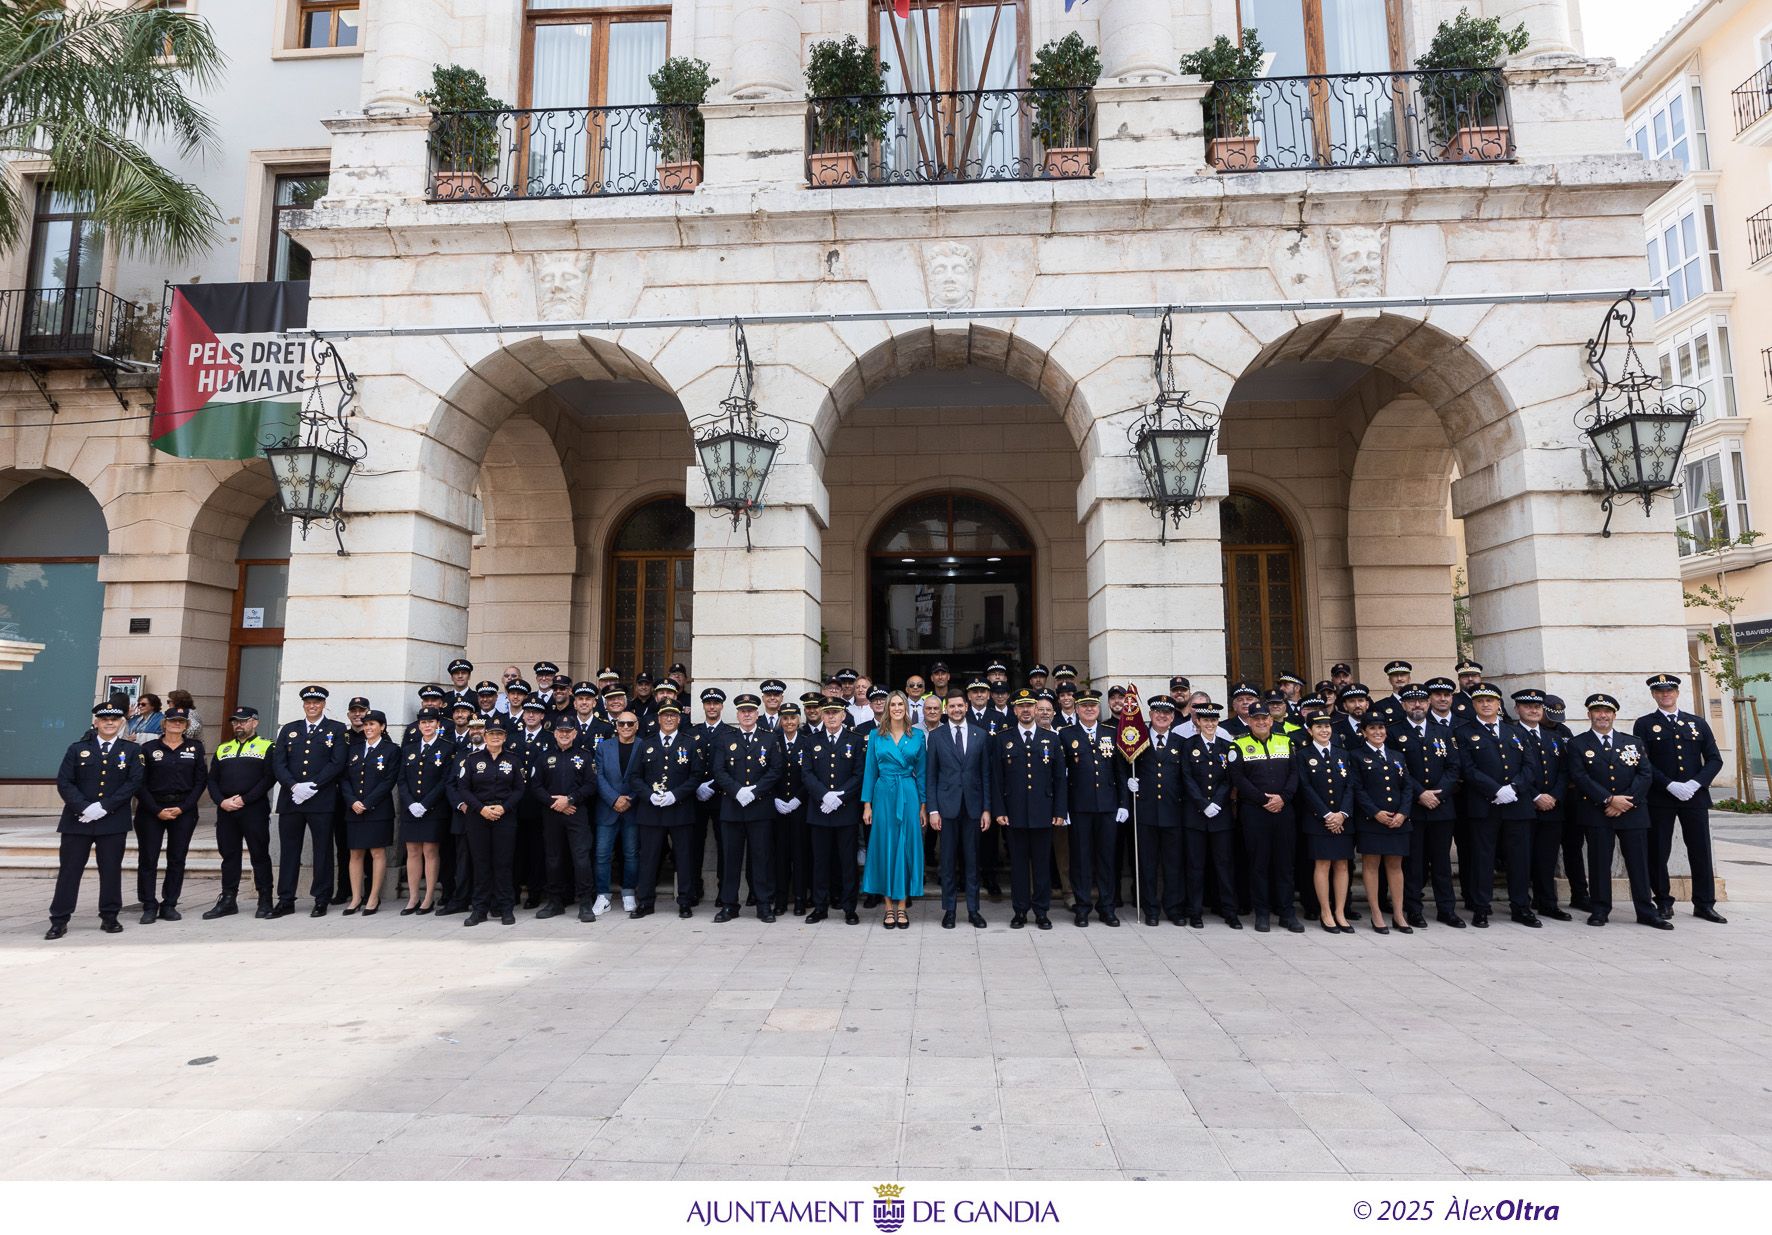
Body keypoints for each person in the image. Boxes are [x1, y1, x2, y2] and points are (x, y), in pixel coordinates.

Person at [1568, 693, 1668, 929]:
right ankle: (1600, 909)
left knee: (1639, 864)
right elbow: (1579, 776)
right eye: (1597, 711)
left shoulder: (1632, 742)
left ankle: (1646, 911)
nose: (1602, 715)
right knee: (1599, 863)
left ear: (1614, 715)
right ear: (1589, 714)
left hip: (1632, 812)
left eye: (1607, 711)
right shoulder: (1577, 744)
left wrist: (1625, 802)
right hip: (1597, 812)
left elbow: (1645, 774)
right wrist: (1609, 800)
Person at [46, 701, 146, 939]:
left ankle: (110, 916)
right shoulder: (77, 749)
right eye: (104, 719)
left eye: (114, 719)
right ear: (96, 722)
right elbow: (65, 781)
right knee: (69, 871)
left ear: (121, 722)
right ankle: (59, 919)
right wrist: (84, 807)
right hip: (77, 820)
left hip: (112, 821)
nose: (109, 723)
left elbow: (134, 782)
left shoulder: (132, 750)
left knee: (111, 870)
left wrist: (104, 807)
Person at [1633, 673, 1727, 924]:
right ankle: (1663, 901)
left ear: (1676, 693)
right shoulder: (1644, 724)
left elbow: (1714, 759)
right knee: (1658, 851)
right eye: (1660, 691)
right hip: (1661, 797)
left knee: (1700, 850)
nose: (1665, 695)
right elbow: (1644, 762)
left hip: (1694, 797)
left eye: (1669, 690)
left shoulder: (1697, 723)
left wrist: (1696, 783)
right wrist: (1669, 784)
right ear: (1654, 695)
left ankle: (1704, 903)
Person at [1455, 683, 1539, 928]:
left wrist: (1513, 788)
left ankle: (1521, 907)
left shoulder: (1516, 732)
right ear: (1473, 704)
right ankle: (1481, 907)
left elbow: (1530, 766)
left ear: (1498, 704)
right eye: (1480, 700)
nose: (1485, 704)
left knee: (1519, 859)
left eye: (1490, 700)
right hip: (1485, 805)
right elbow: (1467, 768)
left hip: (1516, 804)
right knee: (1483, 859)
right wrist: (1495, 790)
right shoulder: (1463, 733)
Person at [270, 685, 350, 918]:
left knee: (322, 851)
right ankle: (286, 899)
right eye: (308, 702)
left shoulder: (336, 729)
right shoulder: (289, 729)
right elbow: (278, 763)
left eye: (316, 702)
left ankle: (321, 898)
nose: (312, 706)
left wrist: (313, 786)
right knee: (289, 851)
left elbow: (337, 762)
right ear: (304, 705)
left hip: (321, 799)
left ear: (323, 704)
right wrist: (294, 786)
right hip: (292, 799)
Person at [990, 688, 1066, 930]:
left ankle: (1042, 911)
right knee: (1019, 867)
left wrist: (1059, 811)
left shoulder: (1051, 738)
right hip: (1014, 813)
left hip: (1043, 812)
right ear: (1014, 710)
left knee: (1042, 865)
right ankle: (1020, 910)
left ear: (1035, 709)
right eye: (1021, 706)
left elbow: (1059, 779)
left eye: (1029, 705)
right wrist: (999, 810)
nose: (1025, 710)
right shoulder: (1003, 738)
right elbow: (997, 779)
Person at [1390, 685, 1464, 928]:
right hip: (1412, 807)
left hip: (1441, 807)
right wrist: (1420, 793)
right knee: (1414, 863)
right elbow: (1397, 770)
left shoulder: (1443, 731)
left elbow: (1454, 767)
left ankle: (1447, 910)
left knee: (1442, 862)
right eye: (1411, 701)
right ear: (1403, 705)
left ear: (1428, 702)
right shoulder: (1394, 732)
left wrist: (1438, 794)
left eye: (1421, 700)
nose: (1417, 705)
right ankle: (1413, 909)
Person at [128, 703, 207, 924]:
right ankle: (148, 904)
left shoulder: (195, 748)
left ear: (186, 726)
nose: (176, 725)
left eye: (181, 722)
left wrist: (184, 807)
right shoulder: (148, 748)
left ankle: (170, 903)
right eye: (172, 721)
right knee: (148, 858)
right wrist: (156, 810)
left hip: (183, 809)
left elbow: (200, 781)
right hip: (151, 810)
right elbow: (139, 782)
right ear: (164, 724)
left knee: (177, 858)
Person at [1229, 706, 1303, 934]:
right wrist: (1263, 799)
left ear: (1271, 720)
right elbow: (1238, 779)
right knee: (1258, 864)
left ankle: (1287, 913)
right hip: (1254, 812)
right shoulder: (1238, 744)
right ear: (1250, 721)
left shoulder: (1286, 741)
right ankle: (1261, 913)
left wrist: (1283, 798)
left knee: (1285, 864)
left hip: (1283, 810)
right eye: (1256, 719)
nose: (1261, 722)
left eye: (1264, 718)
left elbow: (1294, 773)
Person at [626, 700, 699, 918]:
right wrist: (649, 795)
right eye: (665, 715)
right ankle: (645, 902)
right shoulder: (645, 744)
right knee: (649, 859)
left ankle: (685, 901)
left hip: (680, 809)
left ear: (679, 719)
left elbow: (696, 776)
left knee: (684, 858)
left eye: (673, 715)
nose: (669, 718)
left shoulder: (689, 743)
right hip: (652, 810)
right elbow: (634, 777)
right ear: (658, 718)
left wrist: (675, 795)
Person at [860, 690, 927, 928]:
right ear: (887, 708)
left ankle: (903, 906)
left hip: (908, 793)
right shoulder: (876, 735)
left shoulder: (917, 735)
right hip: (884, 794)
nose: (897, 708)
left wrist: (923, 805)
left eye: (901, 704)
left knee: (906, 847)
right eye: (893, 704)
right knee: (885, 847)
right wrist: (867, 805)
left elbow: (922, 773)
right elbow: (870, 771)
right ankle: (888, 907)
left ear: (906, 708)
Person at [1059, 688, 1124, 928]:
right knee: (1081, 859)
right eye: (1084, 705)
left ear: (1099, 708)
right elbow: (1062, 776)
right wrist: (1063, 808)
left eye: (1093, 705)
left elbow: (1119, 772)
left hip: (1107, 806)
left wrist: (1123, 804)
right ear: (1076, 709)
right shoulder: (1066, 734)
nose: (1089, 709)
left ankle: (1107, 908)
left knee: (1106, 859)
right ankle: (1083, 907)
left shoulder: (1111, 733)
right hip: (1079, 807)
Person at [714, 693, 781, 922]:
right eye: (743, 711)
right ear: (737, 714)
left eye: (750, 711)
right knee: (730, 860)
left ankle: (764, 905)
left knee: (761, 859)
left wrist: (754, 791)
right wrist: (737, 791)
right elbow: (719, 770)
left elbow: (775, 770)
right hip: (732, 808)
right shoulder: (725, 738)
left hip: (760, 808)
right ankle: (729, 905)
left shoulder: (769, 738)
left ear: (757, 713)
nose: (747, 715)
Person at [926, 691, 991, 929]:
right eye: (951, 706)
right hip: (946, 808)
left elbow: (985, 775)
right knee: (947, 861)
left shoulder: (980, 735)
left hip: (973, 808)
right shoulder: (936, 736)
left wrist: (987, 809)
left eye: (959, 706)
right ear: (946, 709)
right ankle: (950, 910)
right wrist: (933, 810)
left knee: (972, 861)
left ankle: (973, 910)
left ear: (966, 707)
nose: (956, 710)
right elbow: (931, 776)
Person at [206, 705, 277, 919]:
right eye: (235, 721)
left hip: (253, 809)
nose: (239, 725)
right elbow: (212, 780)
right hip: (226, 810)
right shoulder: (223, 748)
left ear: (255, 722)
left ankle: (265, 899)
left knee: (259, 854)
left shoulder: (267, 746)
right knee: (229, 855)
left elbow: (269, 778)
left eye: (243, 721)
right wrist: (221, 801)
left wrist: (245, 799)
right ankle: (228, 899)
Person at [1352, 713, 1417, 934]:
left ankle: (1398, 914)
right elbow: (1357, 788)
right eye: (1372, 728)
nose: (1377, 732)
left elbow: (1407, 786)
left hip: (1398, 821)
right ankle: (1376, 913)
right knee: (1371, 866)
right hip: (1372, 821)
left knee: (1395, 866)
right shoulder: (1357, 756)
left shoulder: (1397, 755)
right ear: (1364, 732)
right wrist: (1375, 812)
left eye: (1381, 728)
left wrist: (1403, 813)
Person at [1512, 688, 1572, 922]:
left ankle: (1547, 902)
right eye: (1527, 706)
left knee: (1547, 858)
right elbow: (1512, 772)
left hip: (1552, 807)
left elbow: (1564, 771)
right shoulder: (1511, 734)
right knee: (1521, 859)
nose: (1533, 710)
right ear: (1517, 709)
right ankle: (1521, 906)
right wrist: (1536, 796)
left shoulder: (1553, 737)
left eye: (1537, 706)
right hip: (1524, 806)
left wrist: (1554, 796)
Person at [1176, 700, 1238, 929]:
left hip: (1220, 815)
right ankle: (1195, 911)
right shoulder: (1187, 745)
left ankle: (1229, 911)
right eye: (1205, 720)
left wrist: (1217, 803)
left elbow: (1228, 779)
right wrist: (1203, 804)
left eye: (1213, 720)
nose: (1210, 724)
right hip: (1195, 815)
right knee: (1195, 866)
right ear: (1198, 722)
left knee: (1224, 865)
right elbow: (1186, 777)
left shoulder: (1226, 746)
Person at [802, 698, 865, 924]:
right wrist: (824, 795)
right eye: (827, 712)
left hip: (845, 811)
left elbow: (859, 774)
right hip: (820, 811)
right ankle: (820, 907)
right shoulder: (811, 741)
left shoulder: (855, 740)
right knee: (820, 862)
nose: (831, 716)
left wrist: (839, 797)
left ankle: (849, 908)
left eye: (835, 712)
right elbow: (807, 773)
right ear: (822, 714)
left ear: (843, 715)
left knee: (847, 863)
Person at [459, 718, 526, 926]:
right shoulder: (472, 760)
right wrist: (481, 809)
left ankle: (505, 908)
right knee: (481, 864)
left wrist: (504, 807)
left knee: (503, 864)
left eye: (499, 734)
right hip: (478, 816)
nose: (495, 737)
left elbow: (520, 789)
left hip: (505, 816)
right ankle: (480, 909)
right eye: (491, 733)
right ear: (485, 736)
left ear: (505, 737)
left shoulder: (514, 760)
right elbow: (464, 788)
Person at [532, 711, 596, 922]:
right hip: (552, 814)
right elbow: (536, 786)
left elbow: (591, 785)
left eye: (568, 731)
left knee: (581, 858)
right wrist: (556, 804)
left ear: (575, 733)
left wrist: (569, 800)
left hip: (577, 813)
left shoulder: (585, 756)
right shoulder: (543, 757)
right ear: (555, 733)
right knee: (553, 858)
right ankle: (555, 902)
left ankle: (585, 903)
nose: (564, 734)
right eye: (561, 731)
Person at [1295, 711, 1355, 933]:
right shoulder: (1303, 755)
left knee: (1342, 865)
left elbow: (1350, 786)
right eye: (1318, 726)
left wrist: (1342, 814)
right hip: (1318, 821)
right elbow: (1305, 787)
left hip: (1343, 820)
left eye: (1327, 726)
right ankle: (1325, 911)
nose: (1324, 730)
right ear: (1309, 730)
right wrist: (1327, 815)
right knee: (1322, 865)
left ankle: (1340, 911)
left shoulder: (1343, 754)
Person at [341, 710, 398, 915]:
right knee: (355, 853)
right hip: (354, 809)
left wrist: (368, 802)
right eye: (366, 724)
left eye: (372, 724)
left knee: (377, 852)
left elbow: (389, 780)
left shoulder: (391, 750)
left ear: (382, 727)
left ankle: (373, 897)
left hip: (378, 810)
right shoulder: (354, 749)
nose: (368, 728)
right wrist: (352, 801)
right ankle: (356, 897)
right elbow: (344, 778)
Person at [398, 706, 453, 914]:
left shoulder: (447, 747)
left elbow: (445, 781)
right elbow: (401, 780)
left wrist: (426, 804)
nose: (427, 725)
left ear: (438, 724)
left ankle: (429, 897)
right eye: (423, 722)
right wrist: (410, 803)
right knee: (412, 851)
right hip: (411, 808)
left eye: (431, 722)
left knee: (430, 851)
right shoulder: (409, 749)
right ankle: (413, 897)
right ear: (419, 725)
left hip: (434, 808)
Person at [593, 708, 643, 916]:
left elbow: (646, 777)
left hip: (633, 808)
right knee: (602, 854)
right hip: (607, 808)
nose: (626, 727)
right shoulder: (604, 747)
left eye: (630, 723)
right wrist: (614, 799)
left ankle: (629, 893)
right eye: (622, 723)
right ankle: (603, 895)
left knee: (631, 854)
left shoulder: (643, 746)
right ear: (616, 726)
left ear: (637, 726)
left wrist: (630, 798)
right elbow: (599, 776)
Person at [690, 687, 730, 908]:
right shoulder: (692, 732)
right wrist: (697, 786)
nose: (712, 707)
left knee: (725, 844)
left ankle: (724, 890)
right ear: (703, 706)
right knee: (693, 844)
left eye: (716, 703)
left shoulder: (729, 733)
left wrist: (712, 786)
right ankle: (694, 888)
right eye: (708, 703)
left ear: (722, 706)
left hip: (721, 796)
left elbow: (730, 768)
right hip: (695, 797)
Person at [770, 702, 812, 916]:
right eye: (785, 718)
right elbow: (767, 772)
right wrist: (775, 798)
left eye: (792, 718)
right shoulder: (772, 741)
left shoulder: (807, 742)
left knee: (800, 855)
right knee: (780, 856)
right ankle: (780, 899)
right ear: (781, 720)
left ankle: (800, 899)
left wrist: (798, 799)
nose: (789, 722)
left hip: (800, 807)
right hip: (777, 808)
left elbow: (811, 774)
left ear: (799, 719)